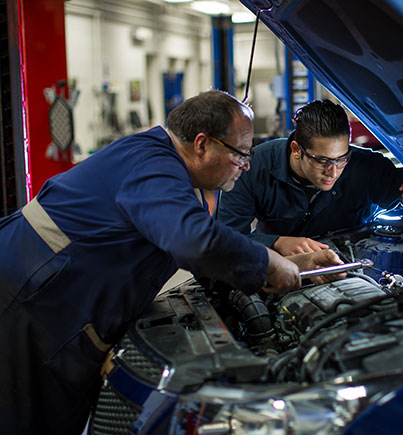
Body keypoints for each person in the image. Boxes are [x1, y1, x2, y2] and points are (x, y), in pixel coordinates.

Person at [0, 90, 343, 435]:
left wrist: (291, 258)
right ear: (202, 145)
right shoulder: (153, 167)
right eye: (241, 153)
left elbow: (203, 243)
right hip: (29, 302)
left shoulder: (161, 163)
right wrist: (267, 263)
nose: (247, 165)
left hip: (47, 301)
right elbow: (194, 240)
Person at [218, 99, 403, 256]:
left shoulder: (366, 167)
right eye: (322, 161)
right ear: (296, 149)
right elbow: (225, 238)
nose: (333, 172)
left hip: (351, 263)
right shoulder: (254, 168)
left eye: (341, 159)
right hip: (277, 265)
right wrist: (275, 243)